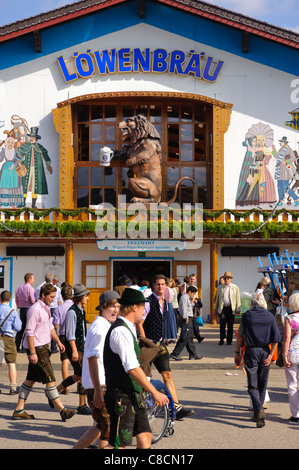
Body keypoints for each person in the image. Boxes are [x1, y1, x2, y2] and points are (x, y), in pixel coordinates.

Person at [103, 288, 169, 449]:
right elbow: (131, 368)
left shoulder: (129, 328)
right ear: (134, 307)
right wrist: (154, 391)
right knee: (117, 445)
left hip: (133, 394)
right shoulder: (120, 330)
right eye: (142, 307)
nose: (144, 311)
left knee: (145, 439)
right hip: (122, 395)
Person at [12, 283, 76, 421]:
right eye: (51, 297)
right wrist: (33, 353)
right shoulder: (34, 310)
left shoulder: (46, 308)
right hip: (38, 349)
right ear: (43, 295)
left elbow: (50, 327)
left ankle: (19, 410)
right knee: (50, 380)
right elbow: (29, 332)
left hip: (43, 348)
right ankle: (62, 410)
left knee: (30, 380)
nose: (54, 299)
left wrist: (58, 342)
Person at [138, 273, 194, 420]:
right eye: (158, 284)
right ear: (153, 286)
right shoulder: (149, 302)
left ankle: (176, 407)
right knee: (145, 378)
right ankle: (142, 406)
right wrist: (145, 342)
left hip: (161, 344)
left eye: (163, 284)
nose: (161, 287)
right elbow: (139, 323)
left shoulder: (166, 302)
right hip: (149, 345)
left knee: (167, 374)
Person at [74, 290, 120, 449]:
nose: (116, 310)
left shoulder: (105, 325)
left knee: (103, 426)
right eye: (112, 306)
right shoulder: (99, 328)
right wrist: (98, 390)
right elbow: (93, 359)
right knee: (106, 426)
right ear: (103, 307)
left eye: (118, 306)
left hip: (101, 384)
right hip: (98, 385)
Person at [234, 292, 280, 428]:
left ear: (252, 303)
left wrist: (237, 353)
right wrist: (271, 355)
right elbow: (276, 338)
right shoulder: (270, 316)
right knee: (262, 384)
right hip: (265, 351)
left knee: (252, 384)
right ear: (263, 302)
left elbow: (240, 336)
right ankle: (257, 412)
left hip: (251, 350)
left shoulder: (247, 315)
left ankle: (258, 409)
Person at [56, 283, 91, 415]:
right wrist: (75, 350)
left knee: (78, 375)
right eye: (85, 296)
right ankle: (82, 404)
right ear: (80, 297)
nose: (87, 298)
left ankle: (54, 391)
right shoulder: (72, 312)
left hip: (81, 346)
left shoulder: (81, 310)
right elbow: (70, 334)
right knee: (82, 375)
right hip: (74, 347)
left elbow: (82, 330)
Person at [19, 127, 53, 208]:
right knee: (24, 185)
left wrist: (48, 164)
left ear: (36, 139)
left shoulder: (40, 147)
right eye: (30, 137)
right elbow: (19, 156)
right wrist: (19, 164)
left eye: (33, 138)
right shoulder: (25, 146)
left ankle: (33, 205)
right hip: (26, 169)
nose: (31, 139)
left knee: (35, 186)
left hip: (37, 170)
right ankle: (23, 203)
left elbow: (46, 156)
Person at [170, 286, 202, 361]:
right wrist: (185, 317)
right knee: (184, 337)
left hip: (189, 318)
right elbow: (183, 308)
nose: (193, 295)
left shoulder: (187, 298)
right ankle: (175, 353)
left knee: (189, 337)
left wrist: (194, 303)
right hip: (186, 318)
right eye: (193, 293)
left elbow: (189, 307)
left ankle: (193, 354)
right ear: (189, 291)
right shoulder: (184, 297)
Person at [52, 285, 73, 394]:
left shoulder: (58, 309)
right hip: (74, 335)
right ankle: (80, 386)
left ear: (62, 296)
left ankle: (66, 387)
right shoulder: (77, 307)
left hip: (63, 335)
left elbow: (56, 324)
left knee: (65, 361)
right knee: (78, 362)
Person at [0, 290, 22, 394]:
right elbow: (18, 327)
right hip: (8, 338)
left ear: (0, 299)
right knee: (11, 364)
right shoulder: (12, 312)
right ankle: (13, 388)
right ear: (9, 300)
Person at [282, 293, 299, 423]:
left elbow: (287, 338)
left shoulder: (289, 318)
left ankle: (296, 414)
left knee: (292, 384)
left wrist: (284, 355)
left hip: (293, 352)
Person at [214, 271, 241, 345]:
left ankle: (229, 340)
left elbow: (238, 298)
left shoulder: (235, 287)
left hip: (231, 308)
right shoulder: (220, 288)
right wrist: (215, 309)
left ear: (230, 279)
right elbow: (217, 299)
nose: (226, 280)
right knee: (222, 324)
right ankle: (222, 339)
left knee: (230, 325)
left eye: (228, 278)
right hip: (222, 308)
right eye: (225, 278)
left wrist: (238, 309)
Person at [15, 273, 35, 353]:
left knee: (21, 328)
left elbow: (16, 300)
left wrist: (19, 305)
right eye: (33, 279)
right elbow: (32, 300)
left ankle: (16, 346)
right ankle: (24, 348)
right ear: (29, 279)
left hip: (22, 309)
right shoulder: (30, 289)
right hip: (29, 309)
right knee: (28, 328)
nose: (33, 280)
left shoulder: (19, 289)